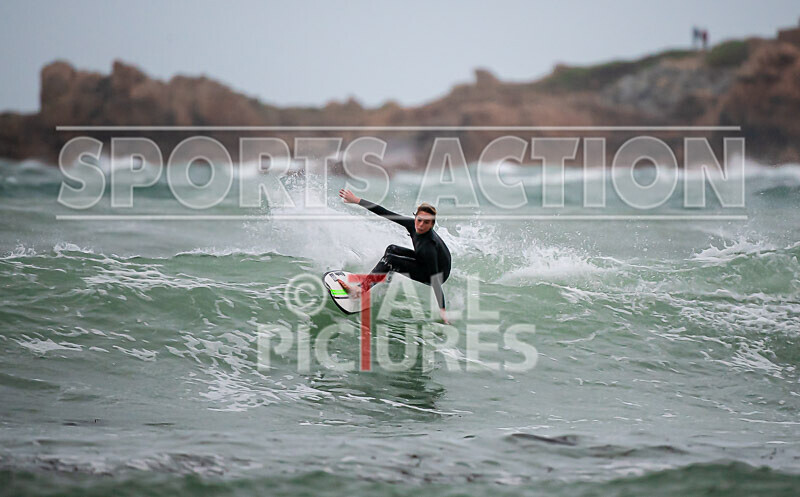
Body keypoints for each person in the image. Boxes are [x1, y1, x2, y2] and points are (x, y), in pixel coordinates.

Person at [338, 189, 451, 323]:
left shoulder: (429, 247)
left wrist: (442, 310)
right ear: (415, 217)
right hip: (423, 260)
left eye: (426, 222)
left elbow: (436, 281)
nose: (420, 225)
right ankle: (385, 283)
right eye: (419, 220)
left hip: (435, 273)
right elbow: (385, 213)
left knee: (391, 261)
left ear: (432, 225)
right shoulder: (412, 225)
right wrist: (356, 200)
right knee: (391, 249)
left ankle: (359, 290)